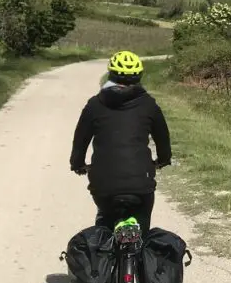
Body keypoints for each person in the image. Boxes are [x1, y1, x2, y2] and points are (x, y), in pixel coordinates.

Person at [69, 50, 172, 238]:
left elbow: (80, 140)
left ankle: (102, 255)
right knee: (142, 231)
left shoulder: (95, 104)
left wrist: (77, 164)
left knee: (105, 226)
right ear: (139, 76)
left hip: (104, 184)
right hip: (141, 183)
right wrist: (163, 159)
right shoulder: (149, 105)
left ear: (110, 74)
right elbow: (163, 138)